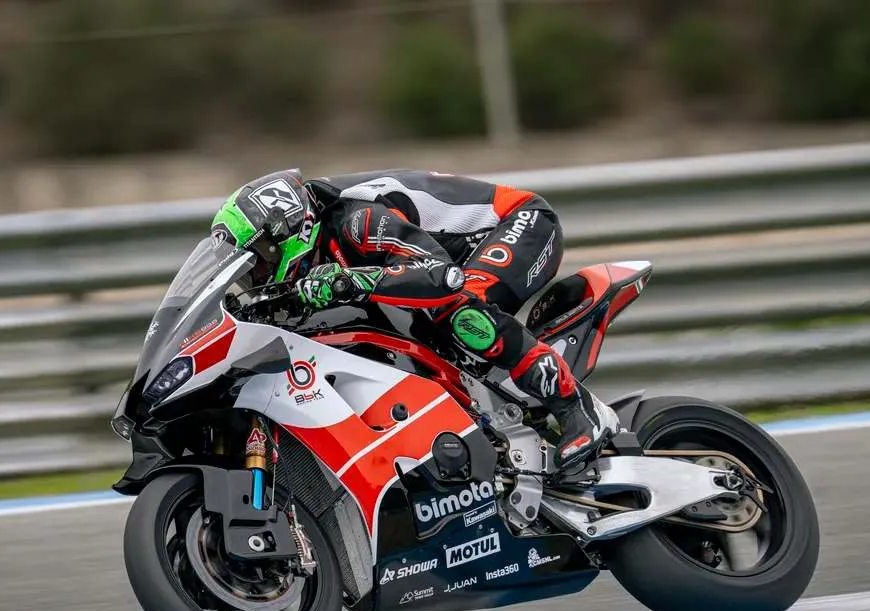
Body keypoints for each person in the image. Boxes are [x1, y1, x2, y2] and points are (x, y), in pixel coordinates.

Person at [210, 168, 620, 469]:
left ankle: (574, 407)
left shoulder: (357, 220)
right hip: (450, 261)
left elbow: (440, 276)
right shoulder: (316, 254)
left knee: (460, 312)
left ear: (290, 232)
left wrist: (350, 280)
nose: (257, 275)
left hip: (521, 223)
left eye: (259, 260)